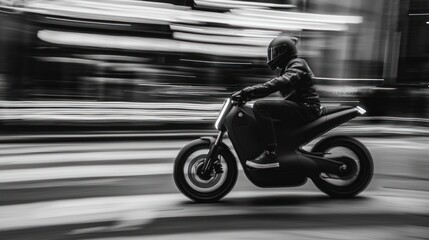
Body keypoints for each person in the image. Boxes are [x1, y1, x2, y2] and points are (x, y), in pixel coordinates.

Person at [233, 36, 321, 169]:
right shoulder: (288, 68)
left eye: (275, 52)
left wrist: (249, 91)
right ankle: (280, 152)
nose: (272, 56)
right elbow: (270, 87)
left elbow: (278, 83)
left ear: (284, 52)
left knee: (261, 107)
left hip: (307, 108)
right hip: (301, 107)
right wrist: (248, 95)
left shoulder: (298, 64)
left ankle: (270, 154)